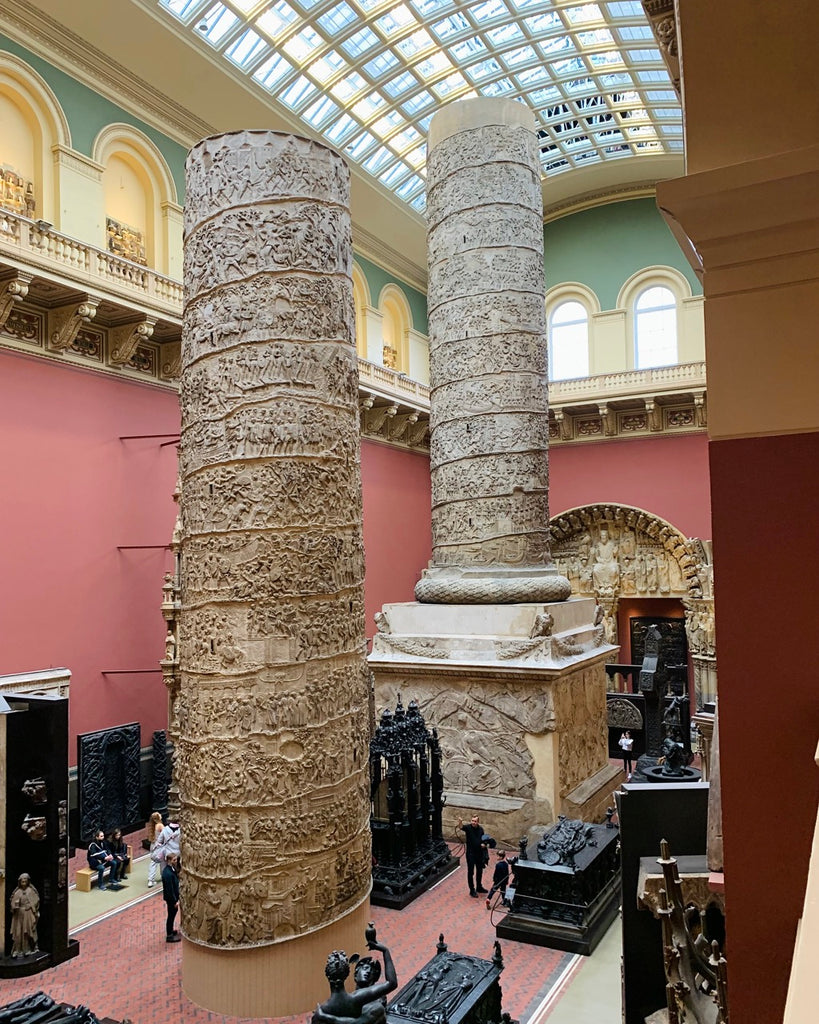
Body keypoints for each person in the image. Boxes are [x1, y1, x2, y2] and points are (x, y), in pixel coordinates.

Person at [457, 814, 488, 897]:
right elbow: (461, 827)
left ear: (478, 822)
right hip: (470, 854)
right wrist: (460, 822)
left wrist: (484, 844)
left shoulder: (481, 829)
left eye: (475, 821)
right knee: (471, 872)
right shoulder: (468, 828)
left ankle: (479, 887)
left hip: (479, 853)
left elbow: (484, 839)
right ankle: (472, 889)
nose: (473, 822)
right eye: (472, 821)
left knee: (479, 871)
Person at [10, 873, 39, 957]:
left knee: (27, 932)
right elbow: (12, 903)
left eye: (25, 881)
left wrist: (30, 906)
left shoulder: (31, 891)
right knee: (18, 933)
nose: (24, 883)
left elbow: (36, 900)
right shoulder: (17, 892)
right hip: (18, 915)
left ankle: (27, 949)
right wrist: (15, 906)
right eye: (22, 881)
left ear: (28, 881)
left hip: (28, 914)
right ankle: (17, 950)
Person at [162, 852, 181, 942]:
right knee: (171, 916)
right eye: (174, 860)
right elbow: (170, 890)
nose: (176, 861)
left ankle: (171, 931)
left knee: (172, 915)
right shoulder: (167, 874)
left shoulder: (171, 870)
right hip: (171, 900)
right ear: (169, 861)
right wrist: (175, 901)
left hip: (173, 898)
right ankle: (169, 935)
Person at [146, 812, 164, 888]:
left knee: (153, 862)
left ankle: (151, 880)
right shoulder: (160, 825)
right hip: (159, 846)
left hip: (153, 845)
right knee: (163, 861)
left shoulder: (151, 826)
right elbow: (165, 833)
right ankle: (163, 876)